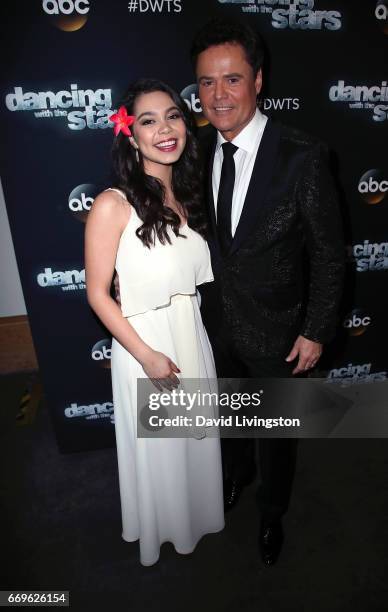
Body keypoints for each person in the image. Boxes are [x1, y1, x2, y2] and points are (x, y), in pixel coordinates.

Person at [190, 19, 345, 565]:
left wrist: (316, 331)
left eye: (232, 79)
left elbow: (329, 253)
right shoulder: (195, 150)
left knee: (276, 437)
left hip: (280, 332)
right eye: (207, 83)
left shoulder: (303, 156)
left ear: (259, 81)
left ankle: (271, 513)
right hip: (215, 326)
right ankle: (236, 479)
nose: (218, 94)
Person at [84, 78, 224, 567]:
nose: (164, 129)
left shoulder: (189, 196)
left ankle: (193, 524)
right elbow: (98, 295)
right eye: (148, 120)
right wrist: (146, 356)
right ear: (130, 134)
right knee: (162, 453)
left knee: (191, 443)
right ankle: (162, 535)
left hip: (190, 334)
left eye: (172, 115)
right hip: (146, 346)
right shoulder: (112, 203)